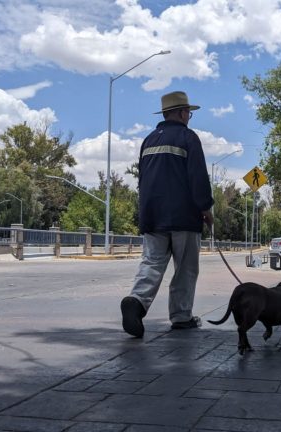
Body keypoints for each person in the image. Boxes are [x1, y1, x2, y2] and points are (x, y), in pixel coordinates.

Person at [120, 91, 214, 338]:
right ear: (183, 112)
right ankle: (182, 317)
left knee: (151, 264)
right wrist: (206, 208)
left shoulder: (149, 140)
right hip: (184, 217)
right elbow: (198, 177)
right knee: (185, 268)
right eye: (189, 113)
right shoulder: (188, 137)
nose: (189, 117)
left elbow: (143, 180)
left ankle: (136, 301)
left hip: (152, 216)